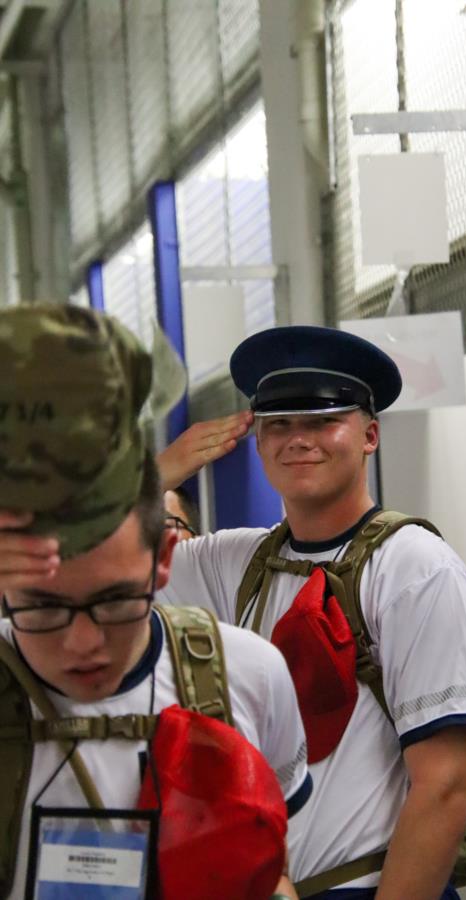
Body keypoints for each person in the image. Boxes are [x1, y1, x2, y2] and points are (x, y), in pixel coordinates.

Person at [155, 326, 466, 900]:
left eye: (323, 420)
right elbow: (75, 571)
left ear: (370, 434)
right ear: (257, 440)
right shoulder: (238, 563)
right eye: (279, 424)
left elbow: (446, 783)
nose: (299, 440)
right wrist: (158, 474)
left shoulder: (415, 569)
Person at [0, 306, 310, 900]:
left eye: (116, 601)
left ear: (165, 560)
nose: (84, 641)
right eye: (42, 609)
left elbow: (270, 873)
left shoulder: (244, 674)